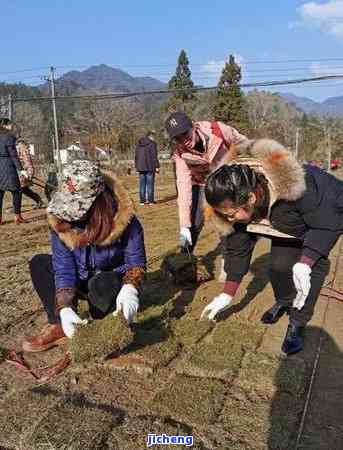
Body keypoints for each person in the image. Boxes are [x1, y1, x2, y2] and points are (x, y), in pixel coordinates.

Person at [201, 138, 343, 355]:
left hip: (317, 224)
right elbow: (237, 247)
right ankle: (284, 301)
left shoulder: (301, 188)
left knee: (306, 275)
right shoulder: (234, 200)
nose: (229, 219)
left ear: (250, 197)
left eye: (231, 214)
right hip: (282, 228)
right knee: (278, 267)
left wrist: (307, 261)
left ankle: (297, 323)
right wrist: (227, 294)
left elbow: (328, 224)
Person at [22, 160, 146, 352]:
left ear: (99, 202)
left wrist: (131, 287)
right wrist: (64, 307)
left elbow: (135, 261)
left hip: (109, 282)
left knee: (102, 283)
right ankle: (59, 324)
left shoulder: (127, 222)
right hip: (79, 278)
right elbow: (63, 267)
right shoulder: (61, 224)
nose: (71, 217)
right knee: (40, 263)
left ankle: (102, 321)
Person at [165, 111, 248, 253]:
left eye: (184, 133)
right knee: (194, 223)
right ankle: (185, 257)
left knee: (231, 221)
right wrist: (184, 226)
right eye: (177, 138)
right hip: (202, 184)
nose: (183, 140)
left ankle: (232, 255)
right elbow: (184, 188)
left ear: (193, 126)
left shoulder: (219, 131)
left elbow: (246, 145)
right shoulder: (180, 155)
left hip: (228, 183)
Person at [0, 118, 26, 225]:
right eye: (10, 125)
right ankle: (17, 217)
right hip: (8, 167)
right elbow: (13, 155)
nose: (12, 126)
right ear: (5, 125)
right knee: (17, 191)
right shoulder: (9, 137)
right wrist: (21, 169)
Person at [16, 139, 44, 209]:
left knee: (19, 189)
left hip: (23, 172)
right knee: (23, 189)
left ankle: (16, 208)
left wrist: (30, 173)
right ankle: (38, 200)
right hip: (20, 171)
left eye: (19, 144)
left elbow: (28, 162)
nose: (17, 146)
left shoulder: (23, 149)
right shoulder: (20, 149)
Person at [134, 131, 160, 205]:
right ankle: (150, 201)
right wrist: (157, 166)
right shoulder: (152, 144)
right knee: (150, 184)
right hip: (150, 167)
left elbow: (136, 156)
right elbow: (154, 156)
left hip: (140, 167)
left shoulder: (138, 144)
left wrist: (136, 166)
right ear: (150, 136)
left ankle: (142, 201)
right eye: (154, 136)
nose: (154, 138)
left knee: (142, 184)